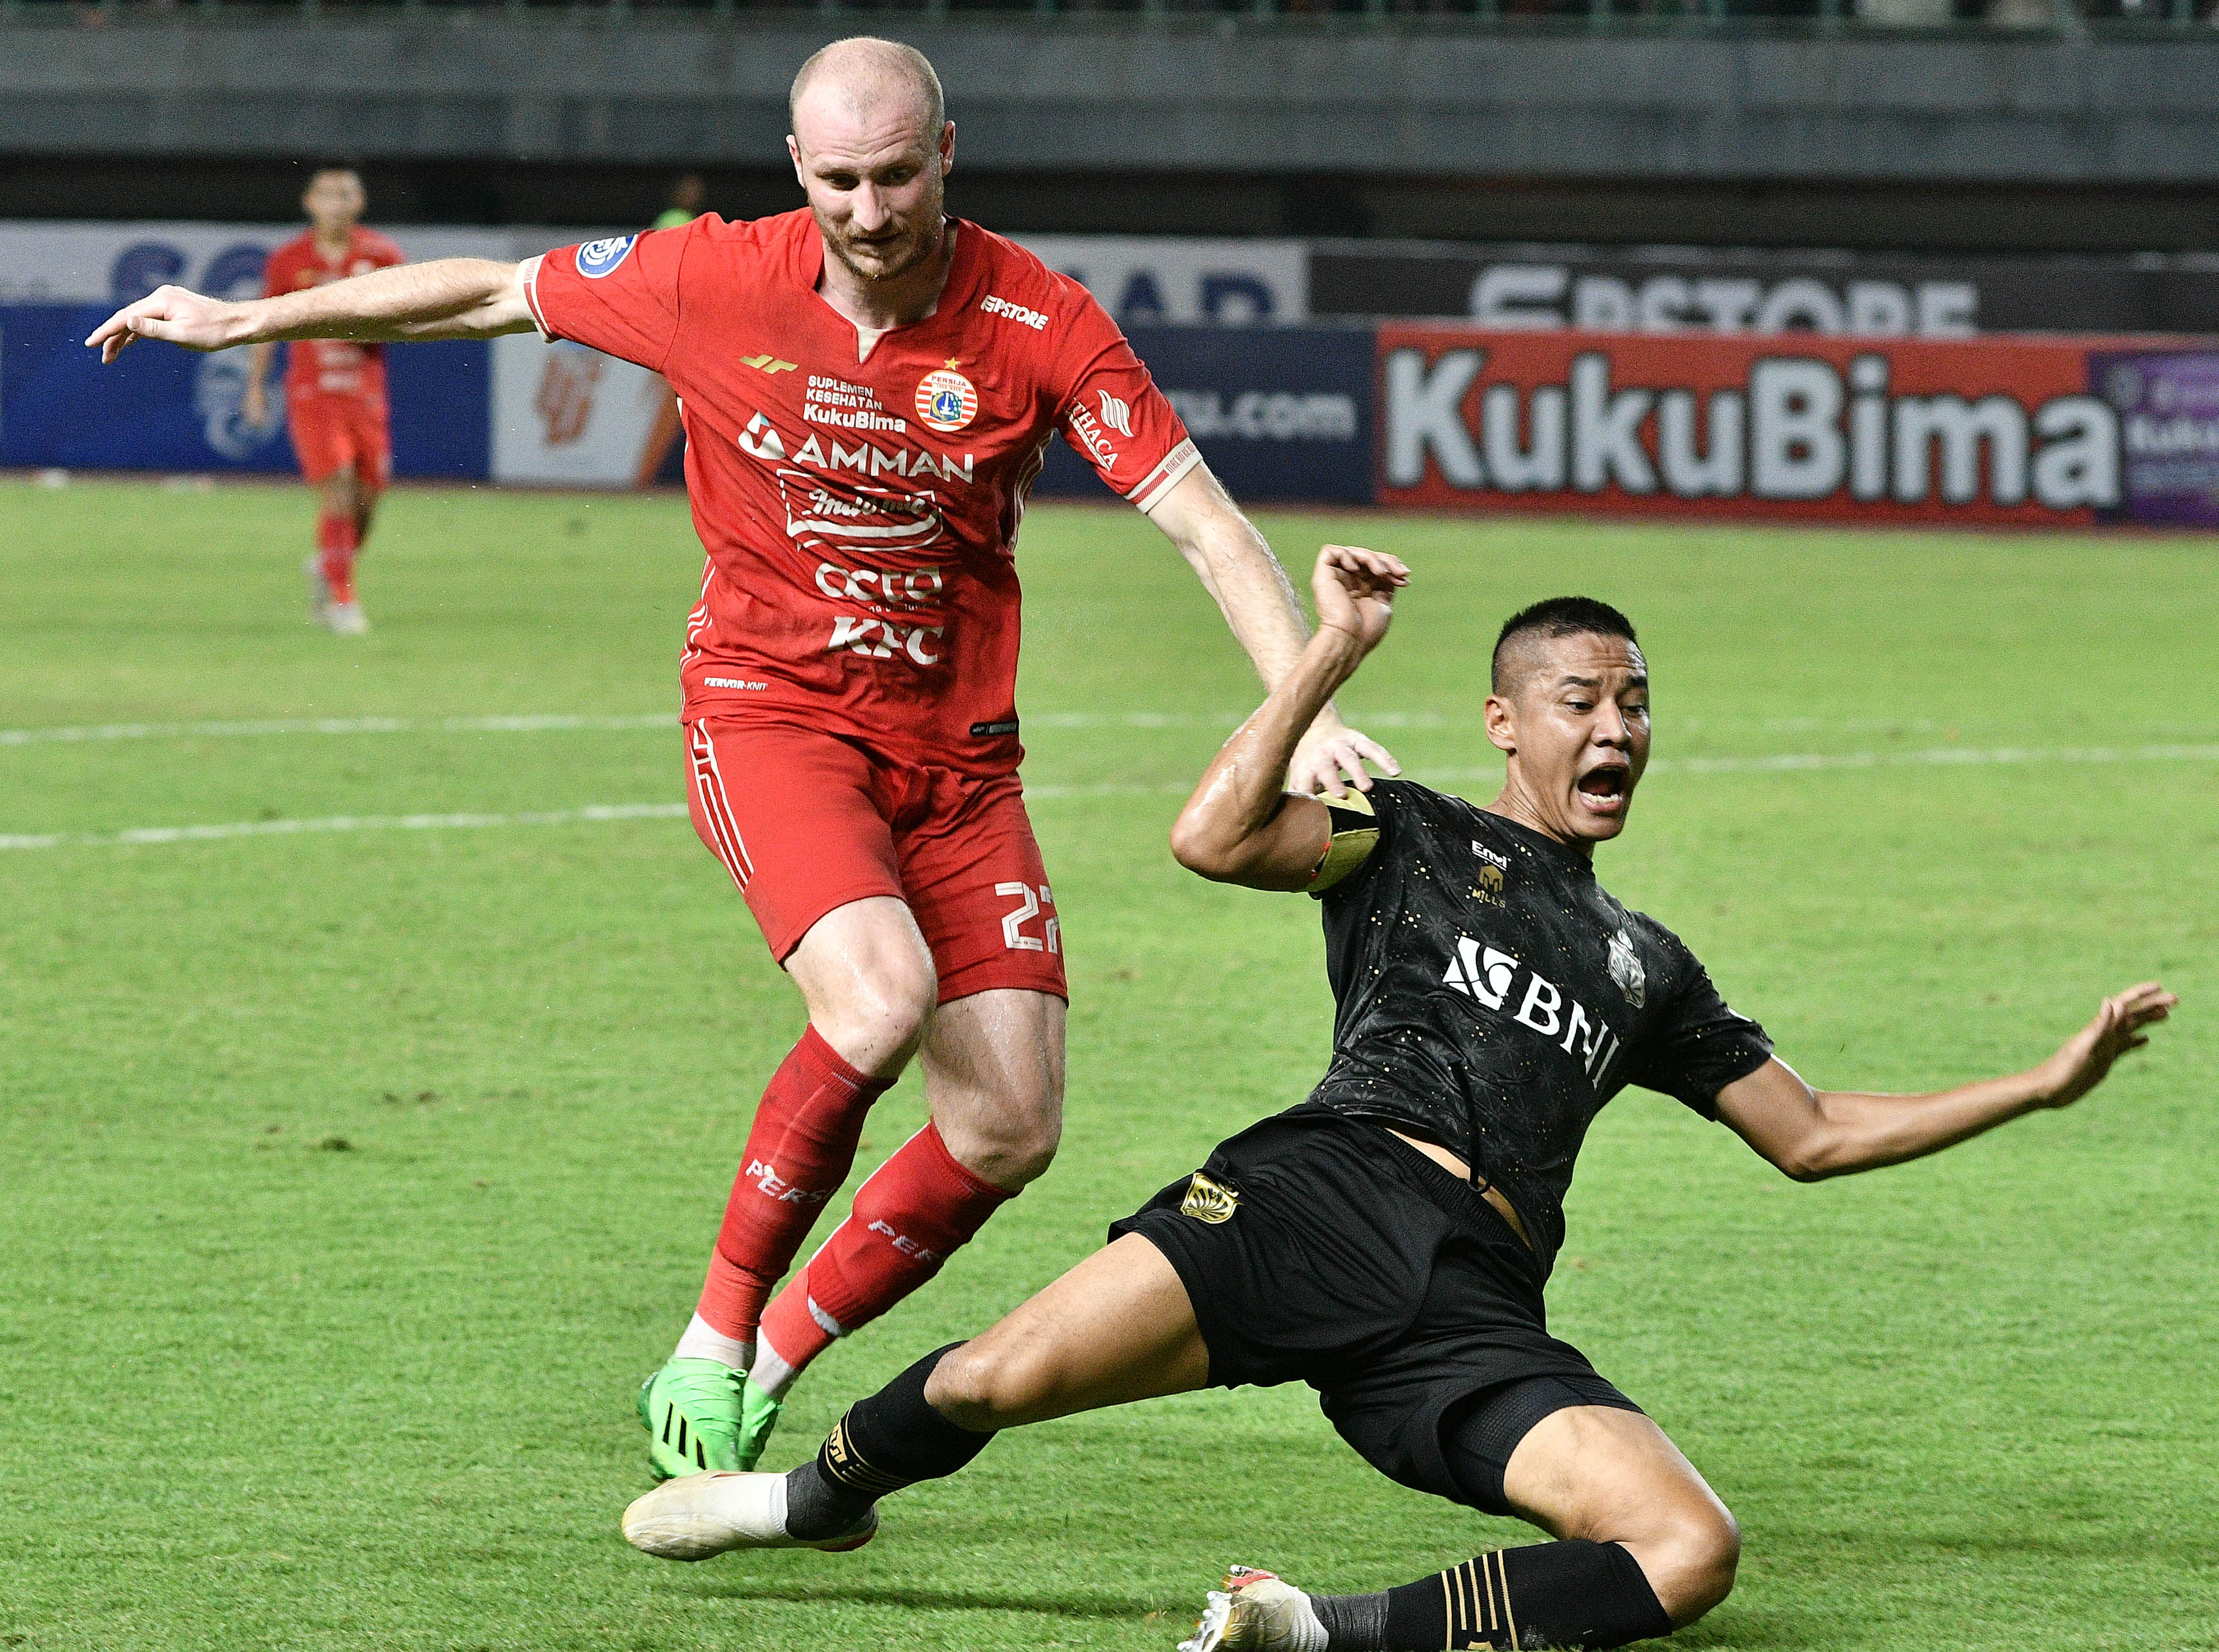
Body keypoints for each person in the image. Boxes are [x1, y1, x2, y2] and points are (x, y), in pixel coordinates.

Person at [87, 37, 1395, 1484]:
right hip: (770, 717)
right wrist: (240, 322)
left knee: (1010, 1125)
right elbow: (483, 290)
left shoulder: (1037, 317)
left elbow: (1203, 520)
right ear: (797, 171)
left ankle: (771, 1366)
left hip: (958, 763)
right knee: (880, 997)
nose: (869, 208)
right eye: (838, 178)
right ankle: (709, 1337)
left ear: (944, 154)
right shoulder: (710, 273)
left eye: (895, 174)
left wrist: (1305, 693)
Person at [616, 552, 2178, 1652]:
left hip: (1472, 1303)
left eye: (1634, 700)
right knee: (992, 1376)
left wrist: (2040, 1081)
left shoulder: (1649, 962)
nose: (1617, 725)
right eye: (1581, 698)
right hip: (1312, 1196)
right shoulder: (1409, 833)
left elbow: (1814, 1128)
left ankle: (1312, 1621)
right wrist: (1323, 658)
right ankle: (804, 1497)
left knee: (1688, 1548)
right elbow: (1208, 838)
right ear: (1507, 721)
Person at [243, 166, 404, 637]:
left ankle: (330, 566)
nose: (338, 201)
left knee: (368, 500)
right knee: (337, 488)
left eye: (347, 193)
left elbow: (411, 314)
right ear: (310, 202)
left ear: (361, 202)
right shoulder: (289, 259)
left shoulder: (382, 254)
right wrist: (255, 387)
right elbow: (265, 324)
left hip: (366, 395)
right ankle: (343, 601)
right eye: (329, 193)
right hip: (312, 394)